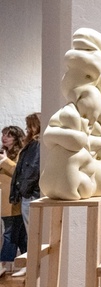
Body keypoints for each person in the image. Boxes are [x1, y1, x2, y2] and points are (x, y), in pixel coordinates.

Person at [9, 113, 41, 278]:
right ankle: (32, 266)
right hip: (30, 193)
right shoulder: (34, 144)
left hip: (31, 195)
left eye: (30, 125)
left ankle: (33, 267)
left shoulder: (36, 145)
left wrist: (24, 190)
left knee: (33, 232)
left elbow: (31, 170)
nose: (27, 128)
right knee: (32, 232)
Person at [1, 125, 27, 276]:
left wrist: (5, 161)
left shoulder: (21, 154)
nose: (4, 137)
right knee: (20, 235)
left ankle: (3, 263)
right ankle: (27, 264)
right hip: (3, 201)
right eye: (3, 134)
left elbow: (20, 173)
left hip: (14, 200)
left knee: (10, 234)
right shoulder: (4, 152)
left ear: (16, 138)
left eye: (9, 135)